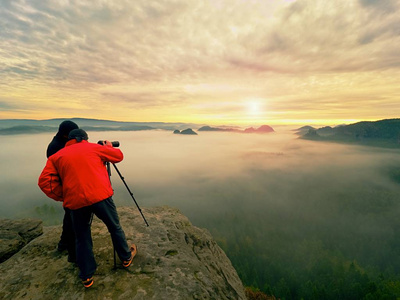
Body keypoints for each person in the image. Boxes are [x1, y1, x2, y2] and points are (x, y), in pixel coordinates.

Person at [38, 129, 137, 288]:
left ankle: (86, 276)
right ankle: (126, 258)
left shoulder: (56, 157)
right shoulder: (94, 148)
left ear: (69, 140)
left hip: (76, 202)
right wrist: (109, 146)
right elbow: (119, 156)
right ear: (84, 139)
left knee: (82, 236)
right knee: (114, 227)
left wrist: (64, 195)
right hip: (101, 197)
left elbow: (44, 182)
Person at [46, 120, 79, 262]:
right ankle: (68, 245)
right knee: (71, 214)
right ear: (66, 135)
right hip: (66, 185)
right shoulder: (56, 147)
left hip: (67, 183)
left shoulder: (59, 142)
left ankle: (64, 242)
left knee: (69, 214)